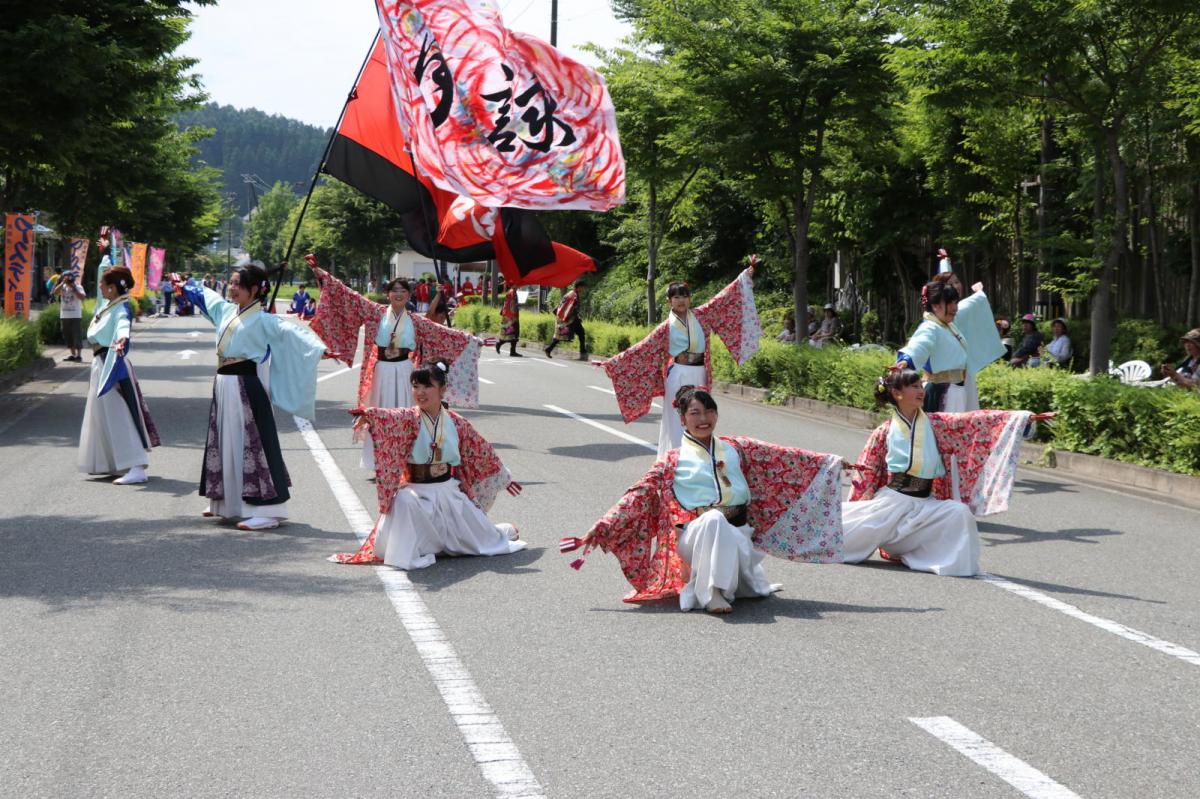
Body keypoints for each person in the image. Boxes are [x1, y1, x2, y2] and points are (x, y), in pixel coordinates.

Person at [563, 387, 843, 613]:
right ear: (682, 418)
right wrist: (603, 526)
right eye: (694, 413)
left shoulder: (737, 447)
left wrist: (832, 462)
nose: (703, 418)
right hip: (695, 536)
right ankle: (712, 593)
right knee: (712, 520)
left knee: (721, 524)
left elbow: (786, 457)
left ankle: (720, 579)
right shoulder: (672, 460)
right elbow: (637, 493)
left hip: (739, 532)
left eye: (709, 410)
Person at [842, 370, 1050, 576]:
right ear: (897, 393)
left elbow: (974, 421)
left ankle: (930, 558)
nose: (920, 389)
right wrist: (862, 499)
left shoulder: (937, 424)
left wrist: (1021, 418)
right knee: (845, 536)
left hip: (926, 503)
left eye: (920, 385)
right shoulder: (884, 431)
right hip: (893, 503)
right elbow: (868, 469)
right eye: (913, 386)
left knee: (958, 513)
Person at [172, 262, 325, 530]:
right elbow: (206, 297)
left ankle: (269, 509)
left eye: (236, 284)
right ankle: (228, 502)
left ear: (253, 290)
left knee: (254, 445)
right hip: (224, 383)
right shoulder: (227, 311)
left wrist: (322, 349)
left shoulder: (264, 320)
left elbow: (296, 334)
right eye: (230, 283)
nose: (231, 288)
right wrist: (186, 286)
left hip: (246, 385)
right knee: (225, 440)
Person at [331, 362, 527, 569]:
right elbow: (389, 416)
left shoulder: (457, 422)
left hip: (447, 490)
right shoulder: (408, 418)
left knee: (485, 539)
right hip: (417, 492)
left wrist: (503, 477)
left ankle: (505, 531)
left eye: (427, 386)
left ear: (442, 389)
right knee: (403, 502)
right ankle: (411, 553)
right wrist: (368, 414)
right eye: (416, 386)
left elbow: (481, 450)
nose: (420, 392)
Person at [307, 257, 483, 472]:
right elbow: (347, 295)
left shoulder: (416, 321)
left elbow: (442, 334)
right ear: (388, 294)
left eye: (403, 291)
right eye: (394, 290)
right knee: (380, 412)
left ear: (409, 296)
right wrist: (321, 274)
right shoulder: (376, 312)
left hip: (404, 370)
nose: (398, 294)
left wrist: (471, 341)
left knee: (407, 413)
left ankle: (407, 460)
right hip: (381, 369)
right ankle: (378, 461)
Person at [601, 258, 761, 460]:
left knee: (701, 412)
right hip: (677, 372)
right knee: (677, 415)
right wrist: (613, 363)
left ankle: (699, 454)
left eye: (684, 296)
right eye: (675, 297)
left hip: (699, 371)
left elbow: (724, 298)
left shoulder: (703, 315)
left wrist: (745, 275)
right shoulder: (666, 327)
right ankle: (676, 456)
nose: (680, 300)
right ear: (669, 301)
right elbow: (643, 347)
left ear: (689, 298)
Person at [79, 266, 160, 484]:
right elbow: (104, 270)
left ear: (113, 288)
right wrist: (105, 249)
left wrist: (123, 338)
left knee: (119, 413)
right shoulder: (109, 304)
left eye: (104, 285)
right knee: (103, 414)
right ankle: (115, 463)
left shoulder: (121, 308)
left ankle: (136, 465)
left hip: (111, 362)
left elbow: (124, 324)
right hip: (100, 361)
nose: (100, 288)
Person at [929, 257, 1007, 408]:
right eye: (950, 284)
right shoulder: (952, 312)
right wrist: (979, 292)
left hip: (962, 372)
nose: (955, 286)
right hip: (946, 378)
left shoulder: (955, 309)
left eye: (957, 282)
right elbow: (972, 303)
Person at [544, 281, 587, 359]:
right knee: (570, 334)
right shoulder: (574, 296)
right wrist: (575, 317)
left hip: (567, 318)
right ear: (579, 287)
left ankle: (549, 349)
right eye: (583, 287)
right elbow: (571, 308)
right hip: (569, 319)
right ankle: (583, 354)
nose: (583, 289)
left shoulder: (570, 293)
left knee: (576, 334)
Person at [52, 270, 87, 361]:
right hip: (64, 315)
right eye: (66, 278)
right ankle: (73, 354)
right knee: (67, 335)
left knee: (76, 335)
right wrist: (62, 283)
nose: (68, 280)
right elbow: (55, 292)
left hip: (75, 315)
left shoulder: (78, 286)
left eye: (69, 279)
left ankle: (79, 355)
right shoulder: (62, 287)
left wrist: (74, 288)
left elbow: (82, 297)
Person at [495, 282, 522, 357]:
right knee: (512, 333)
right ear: (513, 285)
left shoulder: (511, 292)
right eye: (517, 284)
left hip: (509, 316)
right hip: (511, 317)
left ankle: (512, 351)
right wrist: (514, 316)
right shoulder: (512, 292)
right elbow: (512, 305)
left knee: (511, 334)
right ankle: (500, 344)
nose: (519, 285)